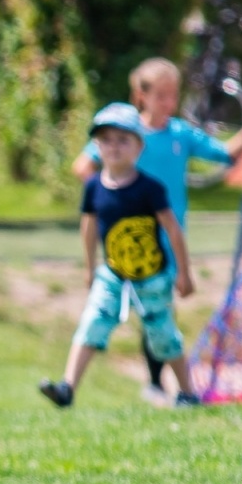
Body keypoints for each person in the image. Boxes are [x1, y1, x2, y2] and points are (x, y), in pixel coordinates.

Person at [70, 56, 242, 399]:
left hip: (167, 237)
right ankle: (74, 385)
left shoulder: (180, 133)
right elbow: (83, 166)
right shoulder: (123, 135)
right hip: (127, 240)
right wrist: (113, 200)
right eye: (161, 95)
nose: (168, 102)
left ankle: (158, 383)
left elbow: (226, 155)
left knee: (158, 312)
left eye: (173, 95)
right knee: (109, 310)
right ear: (141, 95)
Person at [42, 104, 197, 408]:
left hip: (151, 276)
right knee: (92, 324)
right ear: (96, 146)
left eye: (123, 140)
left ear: (139, 147)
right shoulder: (93, 188)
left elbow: (173, 230)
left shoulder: (149, 188)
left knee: (163, 336)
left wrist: (184, 272)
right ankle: (67, 388)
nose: (114, 147)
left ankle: (187, 392)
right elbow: (88, 228)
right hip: (112, 274)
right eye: (106, 140)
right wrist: (90, 268)